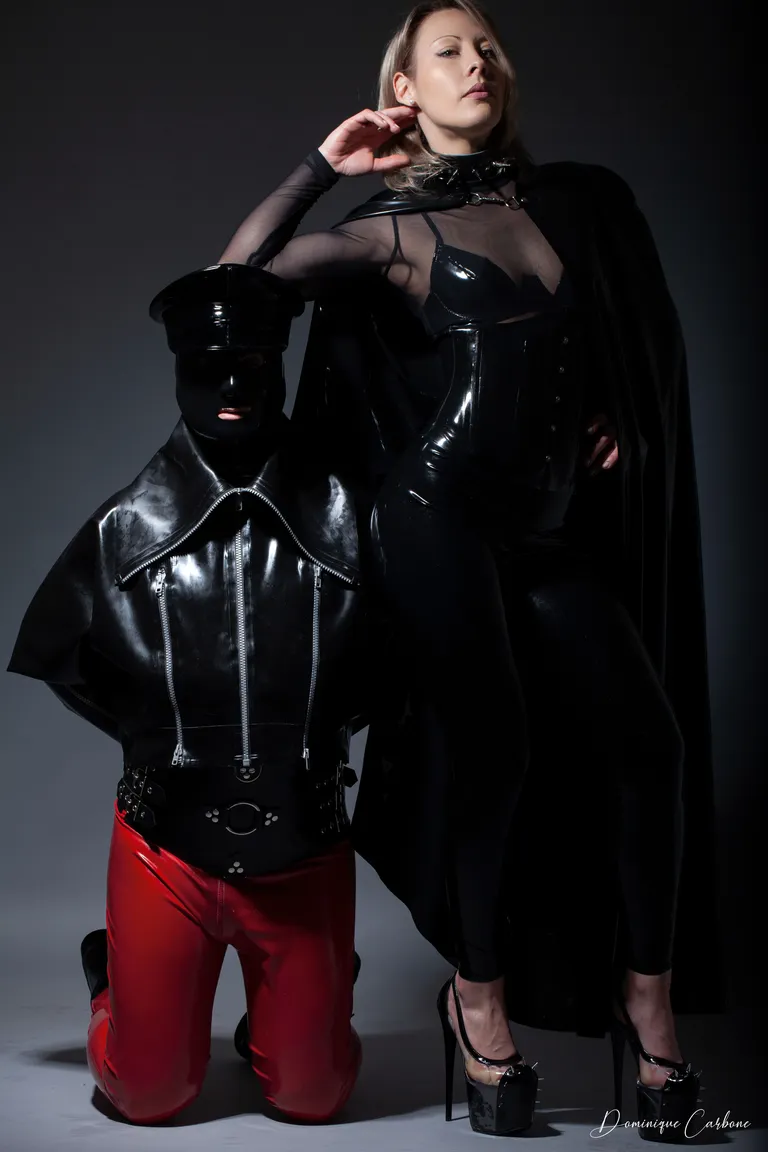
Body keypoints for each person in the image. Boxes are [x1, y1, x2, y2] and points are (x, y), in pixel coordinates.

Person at [215, 0, 723, 1138]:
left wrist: (616, 414)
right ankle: (478, 999)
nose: (476, 61)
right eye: (447, 49)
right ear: (404, 85)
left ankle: (648, 998)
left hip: (546, 530)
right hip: (435, 519)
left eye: (487, 45)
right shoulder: (389, 229)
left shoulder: (573, 203)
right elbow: (230, 289)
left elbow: (614, 349)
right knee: (492, 751)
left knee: (650, 747)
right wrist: (322, 165)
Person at [7, 264, 369, 1125]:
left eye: (253, 364)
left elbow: (399, 664)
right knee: (147, 1092)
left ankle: (308, 998)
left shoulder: (351, 518)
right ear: (178, 372)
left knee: (315, 1095)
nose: (233, 386)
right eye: (209, 367)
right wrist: (159, 738)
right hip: (164, 851)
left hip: (304, 845)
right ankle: (115, 978)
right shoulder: (125, 527)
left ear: (280, 366)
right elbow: (59, 656)